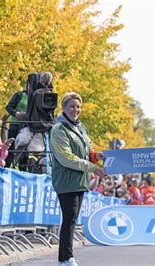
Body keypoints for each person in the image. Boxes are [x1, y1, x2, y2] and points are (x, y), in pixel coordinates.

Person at [50, 92, 105, 266]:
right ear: (64, 108)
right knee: (70, 218)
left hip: (80, 180)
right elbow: (66, 157)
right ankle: (67, 258)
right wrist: (92, 168)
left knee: (72, 218)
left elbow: (86, 153)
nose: (76, 110)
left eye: (78, 107)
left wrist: (97, 156)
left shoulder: (80, 128)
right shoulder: (59, 129)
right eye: (72, 106)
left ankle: (64, 258)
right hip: (66, 179)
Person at [4, 88, 28, 168]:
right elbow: (8, 107)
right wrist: (16, 113)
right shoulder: (19, 95)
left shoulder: (36, 97)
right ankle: (5, 169)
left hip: (27, 127)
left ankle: (23, 172)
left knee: (24, 151)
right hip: (15, 125)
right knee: (11, 149)